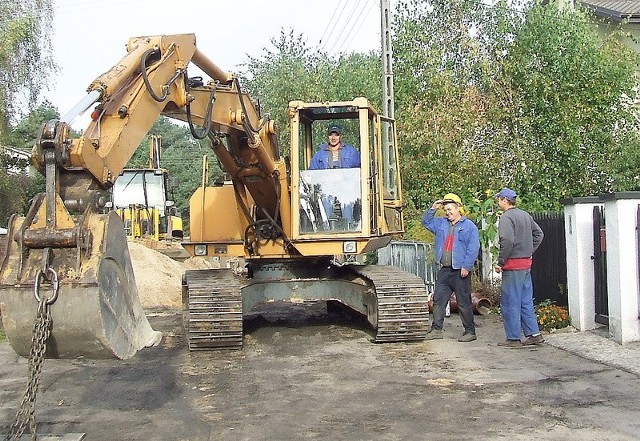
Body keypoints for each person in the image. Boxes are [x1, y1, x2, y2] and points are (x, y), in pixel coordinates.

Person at [422, 193, 480, 342]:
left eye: (450, 209)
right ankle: (436, 329)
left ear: (458, 208)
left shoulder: (469, 227)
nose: (448, 213)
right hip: (445, 270)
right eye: (446, 210)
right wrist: (433, 208)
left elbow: (473, 248)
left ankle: (470, 332)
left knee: (464, 302)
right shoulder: (441, 224)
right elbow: (426, 222)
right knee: (438, 300)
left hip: (460, 270)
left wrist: (466, 266)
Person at [494, 188, 545, 348]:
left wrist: (500, 262)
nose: (498, 202)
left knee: (510, 301)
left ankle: (513, 338)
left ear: (504, 200)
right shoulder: (525, 215)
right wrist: (529, 250)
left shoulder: (506, 218)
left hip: (512, 265)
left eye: (499, 199)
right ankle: (534, 334)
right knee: (525, 300)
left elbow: (507, 241)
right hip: (526, 264)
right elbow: (539, 234)